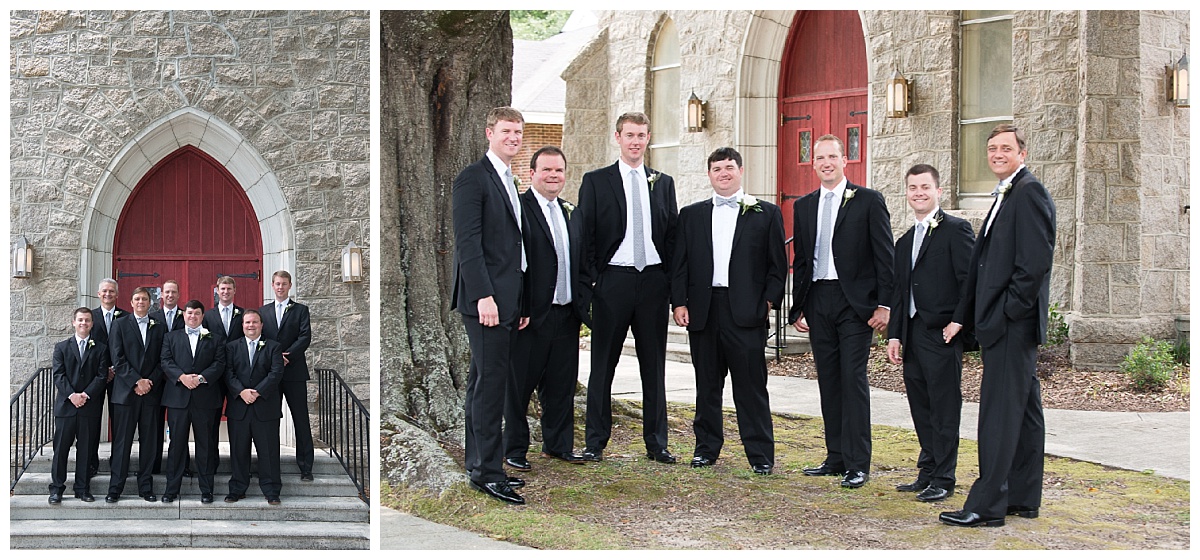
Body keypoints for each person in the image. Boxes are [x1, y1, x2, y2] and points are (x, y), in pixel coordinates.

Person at [940, 124, 1056, 528]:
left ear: (1022, 153)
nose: (997, 153)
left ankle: (987, 506)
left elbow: (1034, 264)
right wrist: (965, 315)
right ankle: (1023, 498)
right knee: (1024, 413)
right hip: (1004, 324)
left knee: (998, 416)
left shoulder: (1029, 193)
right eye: (992, 148)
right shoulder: (1007, 194)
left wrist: (1007, 313)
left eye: (1006, 147)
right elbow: (984, 265)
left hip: (1012, 326)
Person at [671, 147, 786, 475]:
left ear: (741, 170)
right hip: (704, 312)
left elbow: (778, 266)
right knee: (707, 385)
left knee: (751, 387)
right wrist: (679, 302)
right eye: (717, 168)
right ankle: (706, 449)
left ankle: (760, 454)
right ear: (709, 174)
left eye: (729, 167)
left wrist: (767, 303)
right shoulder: (691, 215)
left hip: (747, 313)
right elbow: (680, 264)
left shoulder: (766, 213)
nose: (724, 173)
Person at [788, 134, 893, 489]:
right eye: (820, 157)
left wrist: (884, 305)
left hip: (855, 305)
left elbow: (885, 257)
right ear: (813, 163)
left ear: (845, 161)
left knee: (853, 379)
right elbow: (802, 261)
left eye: (833, 156)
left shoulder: (868, 201)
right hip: (819, 301)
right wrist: (798, 306)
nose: (826, 163)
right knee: (829, 380)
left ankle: (858, 462)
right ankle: (835, 457)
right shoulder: (803, 206)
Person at [578, 112, 679, 464]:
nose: (636, 141)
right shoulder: (596, 181)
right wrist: (594, 281)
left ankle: (657, 443)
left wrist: (668, 283)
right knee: (603, 365)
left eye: (641, 135)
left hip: (653, 282)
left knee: (654, 367)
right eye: (629, 135)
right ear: (618, 137)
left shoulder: (662, 182)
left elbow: (671, 237)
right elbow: (585, 235)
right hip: (612, 282)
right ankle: (595, 441)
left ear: (649, 138)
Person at [451, 106, 530, 505]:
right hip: (486, 301)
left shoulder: (509, 180)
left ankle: (476, 461)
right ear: (489, 133)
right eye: (506, 131)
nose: (513, 137)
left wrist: (519, 300)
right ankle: (488, 472)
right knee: (492, 385)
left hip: (508, 299)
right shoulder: (473, 178)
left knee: (481, 382)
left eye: (518, 132)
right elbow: (468, 243)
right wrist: (484, 296)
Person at [885, 164, 974, 503]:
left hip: (942, 333)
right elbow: (898, 291)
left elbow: (970, 281)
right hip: (911, 333)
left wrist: (959, 321)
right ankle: (927, 469)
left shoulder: (956, 229)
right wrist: (895, 335)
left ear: (938, 191)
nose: (918, 193)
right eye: (912, 187)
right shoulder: (904, 240)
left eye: (925, 187)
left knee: (944, 406)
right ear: (907, 193)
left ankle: (945, 477)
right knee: (921, 405)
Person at [503, 146, 587, 472]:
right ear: (533, 173)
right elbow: (512, 264)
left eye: (559, 171)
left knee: (561, 385)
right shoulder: (519, 209)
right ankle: (514, 449)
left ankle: (558, 445)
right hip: (530, 316)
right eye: (547, 170)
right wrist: (520, 306)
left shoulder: (571, 212)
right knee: (520, 386)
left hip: (566, 315)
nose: (554, 176)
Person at [160, 300, 226, 504]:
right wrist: (182, 377)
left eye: (197, 313)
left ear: (202, 316)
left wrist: (200, 378)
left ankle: (206, 490)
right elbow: (166, 361)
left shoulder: (215, 339)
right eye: (189, 313)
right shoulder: (171, 337)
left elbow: (219, 363)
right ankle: (172, 489)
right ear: (184, 315)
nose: (193, 317)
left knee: (205, 445)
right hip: (178, 398)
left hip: (204, 398)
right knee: (176, 445)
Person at [106, 287, 167, 502]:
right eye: (137, 298)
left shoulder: (159, 327)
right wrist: (135, 381)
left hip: (151, 392)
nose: (141, 302)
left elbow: (163, 359)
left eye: (144, 299)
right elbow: (117, 357)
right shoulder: (119, 325)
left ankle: (146, 487)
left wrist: (148, 382)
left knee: (149, 442)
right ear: (131, 302)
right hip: (125, 393)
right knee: (122, 442)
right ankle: (115, 488)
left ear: (150, 303)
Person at [49, 307, 110, 504]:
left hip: (88, 407)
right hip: (66, 408)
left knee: (85, 450)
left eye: (87, 320)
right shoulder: (62, 347)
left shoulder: (100, 348)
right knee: (61, 451)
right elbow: (59, 375)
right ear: (73, 323)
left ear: (92, 324)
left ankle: (82, 488)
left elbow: (102, 376)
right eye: (80, 320)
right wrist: (72, 395)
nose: (84, 323)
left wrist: (85, 395)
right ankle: (57, 489)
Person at [224, 309, 285, 505]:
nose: (251, 325)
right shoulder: (232, 347)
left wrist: (257, 392)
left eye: (255, 322)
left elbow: (276, 373)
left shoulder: (273, 347)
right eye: (247, 322)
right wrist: (241, 392)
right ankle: (237, 489)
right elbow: (228, 372)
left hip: (265, 408)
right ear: (242, 326)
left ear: (261, 325)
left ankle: (272, 490)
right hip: (239, 408)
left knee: (268, 451)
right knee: (239, 451)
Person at [259, 270, 314, 481]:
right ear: (272, 286)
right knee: (270, 420)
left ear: (290, 286)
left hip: (294, 372)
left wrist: (287, 356)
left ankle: (306, 466)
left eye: (284, 284)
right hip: (271, 374)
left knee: (300, 419)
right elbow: (260, 338)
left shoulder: (300, 310)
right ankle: (270, 465)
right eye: (277, 284)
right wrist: (274, 359)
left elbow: (304, 336)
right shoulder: (263, 312)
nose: (280, 287)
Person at [202, 276, 244, 475]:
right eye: (222, 289)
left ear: (234, 291)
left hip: (238, 375)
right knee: (211, 420)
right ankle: (212, 463)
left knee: (239, 421)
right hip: (215, 378)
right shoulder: (208, 317)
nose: (225, 292)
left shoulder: (243, 314)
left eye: (229, 288)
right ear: (217, 291)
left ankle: (240, 464)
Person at [88, 278, 126, 479]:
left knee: (119, 423)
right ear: (98, 293)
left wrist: (116, 369)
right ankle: (92, 463)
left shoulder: (126, 317)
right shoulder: (90, 317)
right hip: (96, 377)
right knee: (93, 422)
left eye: (112, 291)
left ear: (117, 294)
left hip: (120, 378)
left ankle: (117, 463)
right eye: (104, 291)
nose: (108, 294)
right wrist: (104, 370)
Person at [149, 279, 184, 475]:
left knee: (179, 424)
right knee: (154, 423)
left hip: (178, 379)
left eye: (173, 292)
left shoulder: (186, 316)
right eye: (167, 292)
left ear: (178, 295)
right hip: (156, 379)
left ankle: (181, 464)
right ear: (161, 295)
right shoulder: (152, 317)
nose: (170, 295)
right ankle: (154, 464)